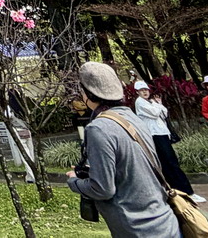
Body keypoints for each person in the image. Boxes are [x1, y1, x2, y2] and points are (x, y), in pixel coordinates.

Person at [66, 62, 180, 238]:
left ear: (88, 94)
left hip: (136, 228)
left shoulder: (98, 128)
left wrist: (74, 182)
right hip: (165, 221)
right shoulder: (131, 117)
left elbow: (103, 189)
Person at [132, 80, 199, 198]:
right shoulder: (141, 102)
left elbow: (164, 113)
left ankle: (179, 190)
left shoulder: (149, 102)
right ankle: (185, 191)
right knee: (169, 163)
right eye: (142, 90)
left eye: (146, 90)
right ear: (138, 92)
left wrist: (158, 104)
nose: (145, 92)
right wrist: (157, 104)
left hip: (162, 134)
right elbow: (155, 112)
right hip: (155, 135)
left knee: (170, 162)